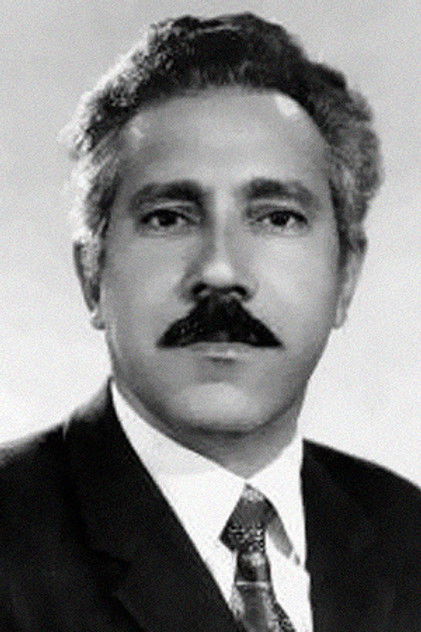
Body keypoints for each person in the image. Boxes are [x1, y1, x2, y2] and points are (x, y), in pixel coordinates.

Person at [0, 12, 419, 632]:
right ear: (92, 275)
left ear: (346, 275)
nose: (220, 271)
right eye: (169, 217)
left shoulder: (407, 533)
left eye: (277, 217)